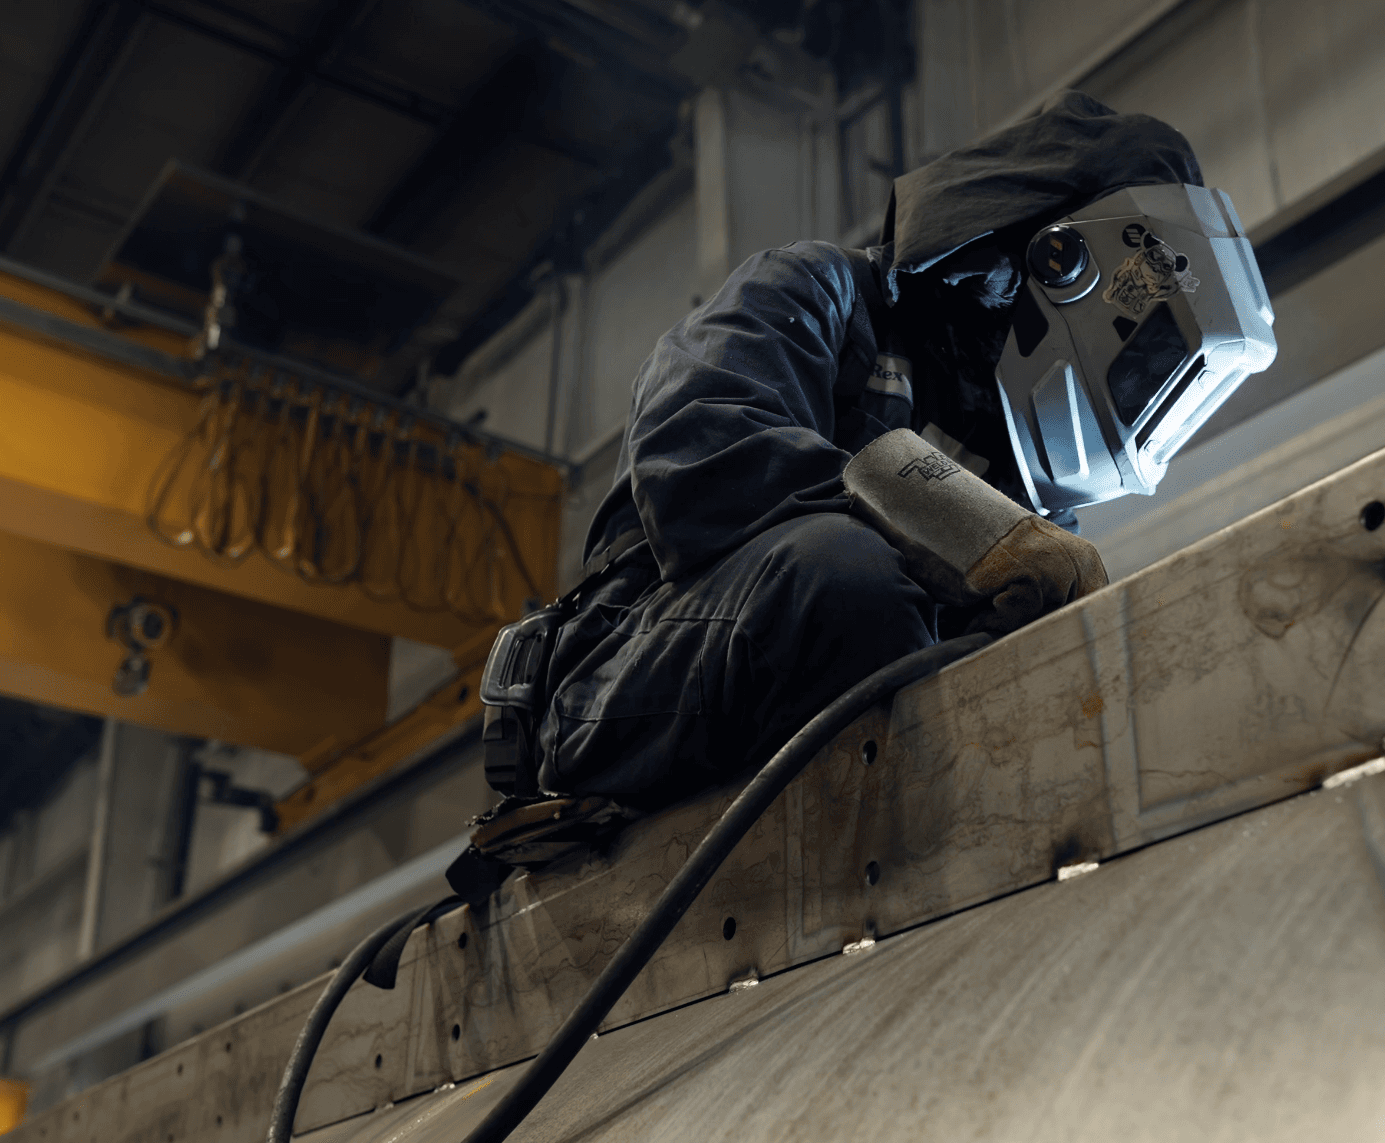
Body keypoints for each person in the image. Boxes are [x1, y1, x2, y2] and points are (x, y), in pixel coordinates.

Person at [484, 92, 1271, 814]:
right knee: (839, 571)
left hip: (835, 726)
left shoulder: (1013, 464)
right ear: (1059, 261)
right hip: (625, 677)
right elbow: (705, 465)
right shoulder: (813, 291)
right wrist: (964, 531)